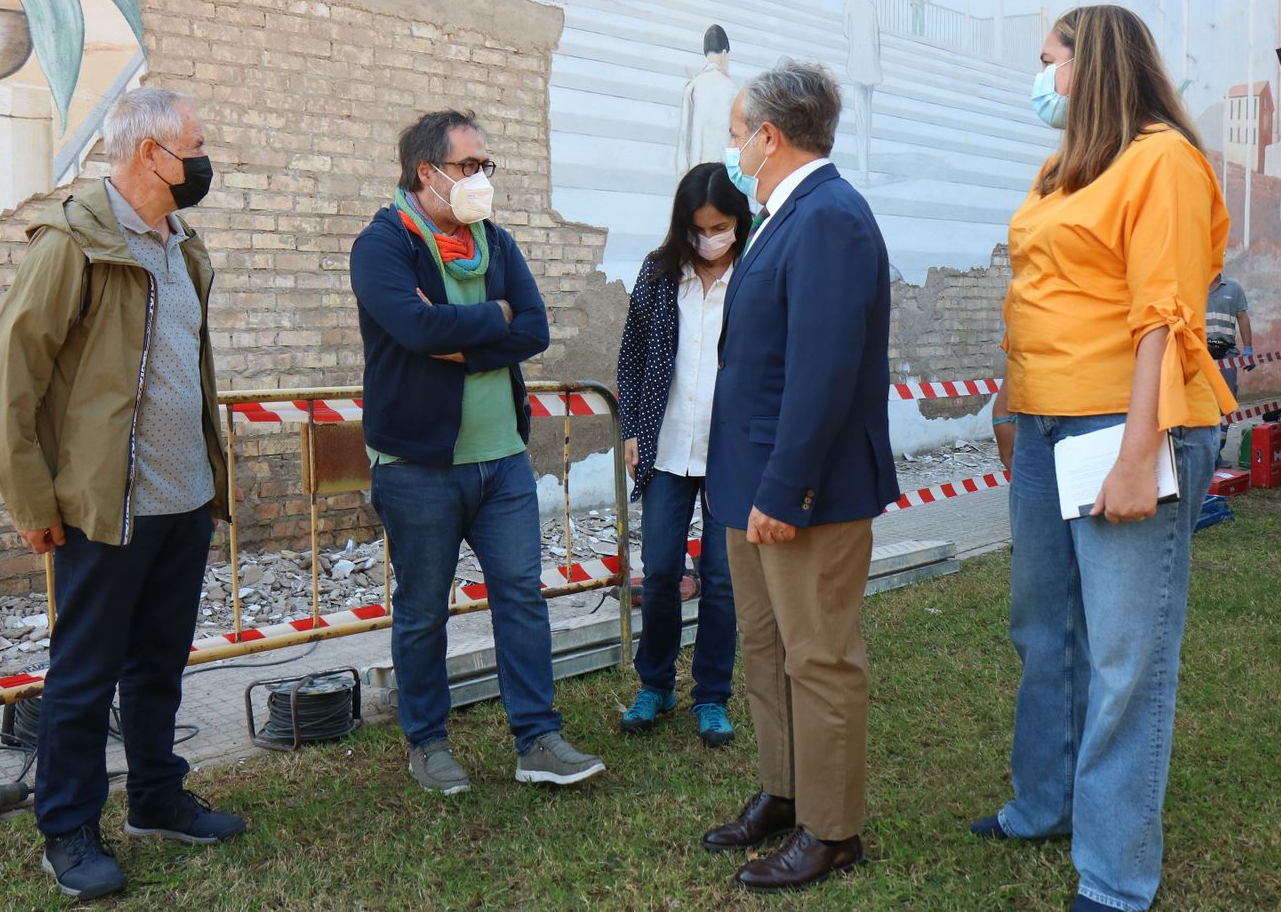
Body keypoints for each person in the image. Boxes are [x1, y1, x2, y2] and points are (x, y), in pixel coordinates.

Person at [981, 6, 1238, 912]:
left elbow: (1165, 315)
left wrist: (1139, 454)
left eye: (1046, 58)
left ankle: (1117, 875)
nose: (1039, 75)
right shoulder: (1063, 168)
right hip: (1048, 427)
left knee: (1127, 655)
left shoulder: (1162, 158)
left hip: (1125, 425)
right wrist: (1013, 401)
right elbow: (1038, 292)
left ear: (1092, 63)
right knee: (1042, 626)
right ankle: (1045, 805)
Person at [0, 87, 245, 901]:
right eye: (194, 148)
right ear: (148, 155)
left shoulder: (182, 244)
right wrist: (32, 503)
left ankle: (157, 798)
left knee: (159, 664)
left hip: (183, 498)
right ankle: (67, 829)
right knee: (85, 675)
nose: (204, 162)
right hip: (105, 505)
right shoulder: (73, 244)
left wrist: (209, 486)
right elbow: (10, 377)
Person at [349, 109, 605, 796]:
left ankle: (537, 739)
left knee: (521, 595)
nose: (482, 178)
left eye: (486, 165)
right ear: (426, 173)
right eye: (469, 166)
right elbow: (412, 325)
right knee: (425, 607)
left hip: (503, 459)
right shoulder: (383, 244)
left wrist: (461, 335)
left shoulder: (496, 241)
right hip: (418, 467)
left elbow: (536, 330)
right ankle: (428, 744)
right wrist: (489, 321)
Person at [701, 61, 900, 893]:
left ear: (770, 137)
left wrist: (786, 491)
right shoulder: (789, 215)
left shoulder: (828, 218)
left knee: (817, 657)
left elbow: (822, 371)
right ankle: (785, 790)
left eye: (739, 130)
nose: (734, 146)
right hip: (753, 482)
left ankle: (833, 829)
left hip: (797, 492)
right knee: (766, 648)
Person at [615, 162, 752, 747]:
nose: (709, 239)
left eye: (720, 226)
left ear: (739, 223)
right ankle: (656, 684)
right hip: (666, 445)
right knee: (663, 568)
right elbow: (632, 356)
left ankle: (712, 695)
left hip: (731, 450)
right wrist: (631, 429)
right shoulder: (659, 273)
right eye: (698, 228)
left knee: (721, 580)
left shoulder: (755, 273)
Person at [676, 24, 739, 178]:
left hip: (695, 176)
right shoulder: (733, 90)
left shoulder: (692, 86)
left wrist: (682, 179)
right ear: (725, 53)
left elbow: (684, 139)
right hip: (722, 176)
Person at [1205, 272, 1255, 464]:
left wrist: (1248, 349)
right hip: (1200, 354)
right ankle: (1202, 454)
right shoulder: (1194, 285)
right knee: (1201, 401)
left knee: (1226, 403)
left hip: (1226, 354)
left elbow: (1242, 317)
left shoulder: (1233, 288)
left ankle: (1217, 453)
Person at [843, 0, 882, 181]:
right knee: (867, 119)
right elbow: (877, 38)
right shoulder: (871, 6)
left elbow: (846, 32)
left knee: (860, 120)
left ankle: (864, 173)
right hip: (872, 66)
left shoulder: (850, 5)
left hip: (858, 65)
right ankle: (865, 168)